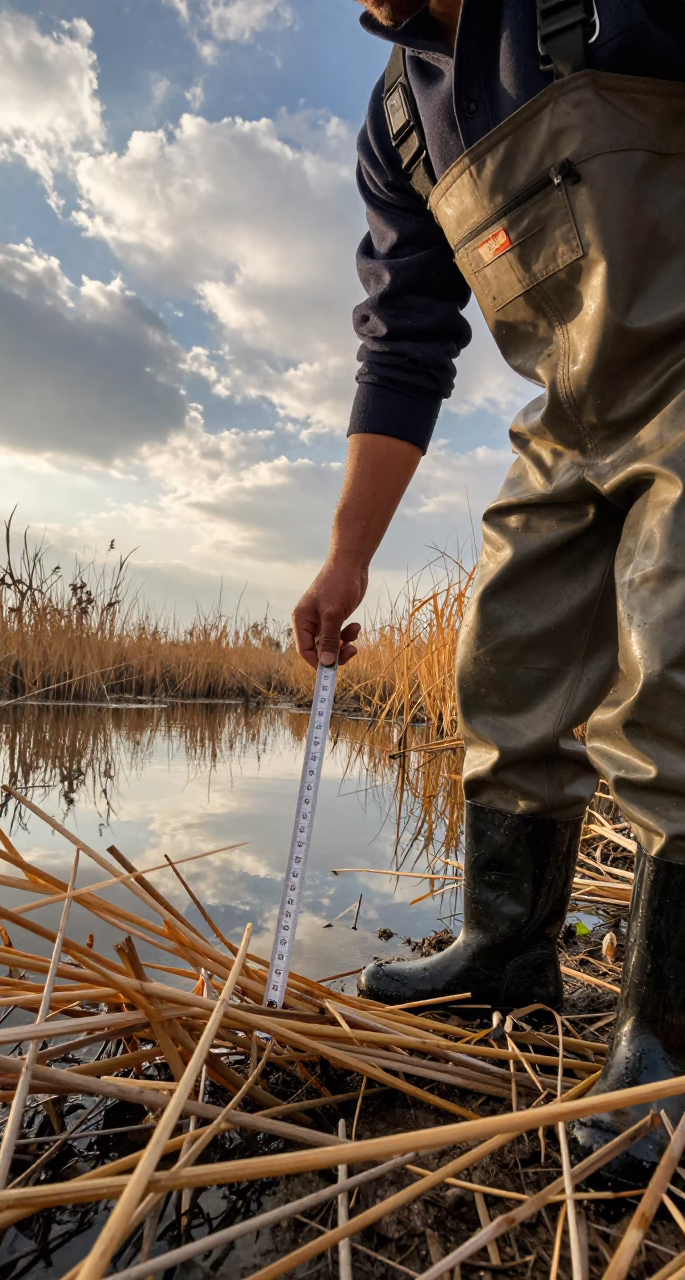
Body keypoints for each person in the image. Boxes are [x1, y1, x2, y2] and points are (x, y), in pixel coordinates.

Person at [292, 0, 685, 1182]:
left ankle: (664, 1042)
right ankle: (508, 948)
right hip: (571, 419)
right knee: (501, 659)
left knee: (672, 668)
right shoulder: (398, 124)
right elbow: (406, 339)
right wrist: (349, 556)